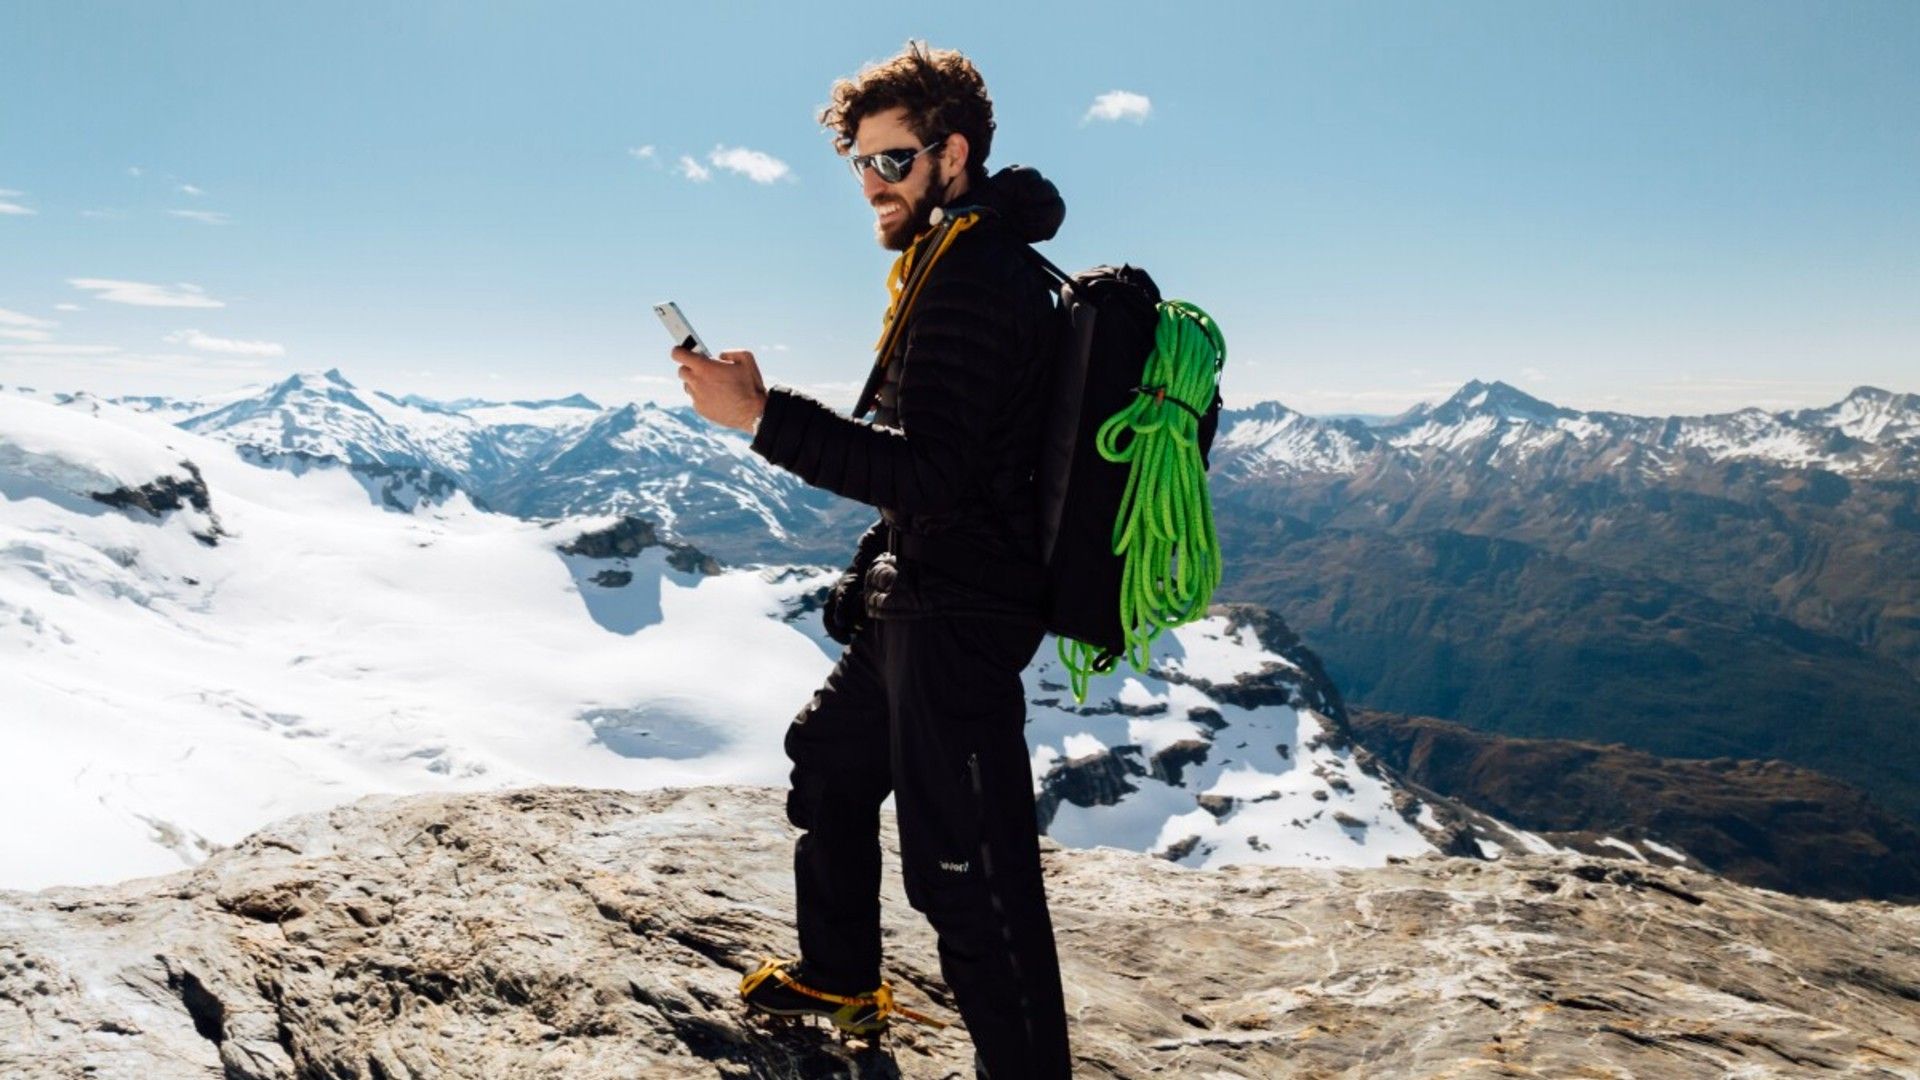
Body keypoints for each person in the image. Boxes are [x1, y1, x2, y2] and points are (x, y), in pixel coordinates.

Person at [669, 40, 1071, 1080]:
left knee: (966, 876)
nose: (870, 183)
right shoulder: (952, 261)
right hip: (920, 598)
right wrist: (872, 564)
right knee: (832, 758)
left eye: (892, 160)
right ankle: (840, 973)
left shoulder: (975, 275)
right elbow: (954, 467)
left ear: (955, 153)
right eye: (858, 161)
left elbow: (934, 472)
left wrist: (761, 418)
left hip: (959, 620)